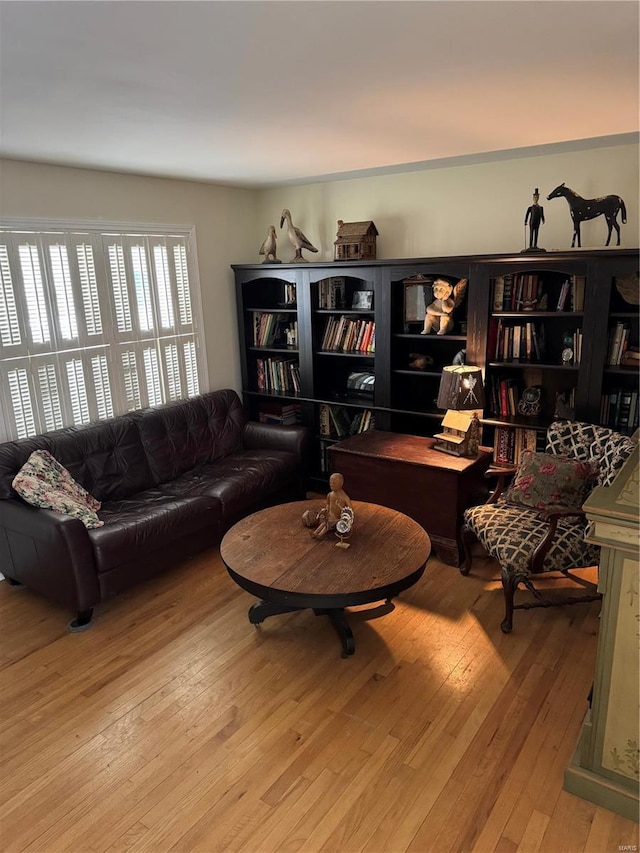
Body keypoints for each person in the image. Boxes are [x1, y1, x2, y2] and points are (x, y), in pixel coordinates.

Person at [312, 472, 352, 538]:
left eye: (334, 483)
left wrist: (341, 509)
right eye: (330, 482)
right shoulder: (330, 495)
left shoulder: (345, 498)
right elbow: (328, 505)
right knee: (323, 524)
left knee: (326, 526)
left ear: (341, 483)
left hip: (338, 520)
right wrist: (325, 511)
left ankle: (319, 535)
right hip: (329, 517)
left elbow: (350, 511)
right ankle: (315, 533)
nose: (331, 484)